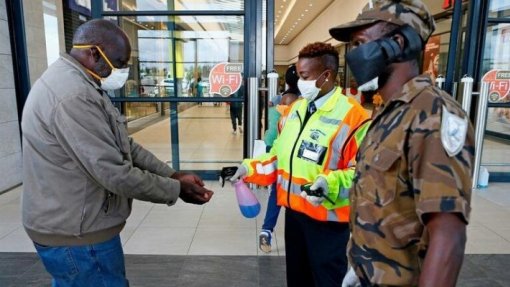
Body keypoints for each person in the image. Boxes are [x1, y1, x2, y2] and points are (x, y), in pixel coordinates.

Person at [21, 19, 214, 286]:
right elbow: (114, 173)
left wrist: (172, 174)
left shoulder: (82, 82)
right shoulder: (73, 96)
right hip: (77, 235)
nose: (122, 71)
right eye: (119, 62)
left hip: (73, 226)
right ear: (93, 53)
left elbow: (124, 144)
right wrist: (175, 189)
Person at [329, 0, 474, 286]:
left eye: (360, 43)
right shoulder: (389, 112)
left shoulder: (432, 115)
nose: (354, 55)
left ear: (397, 43)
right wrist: (362, 266)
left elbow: (448, 236)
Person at [231, 42, 370, 286]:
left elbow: (364, 175)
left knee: (326, 281)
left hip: (327, 222)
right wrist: (248, 168)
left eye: (304, 76)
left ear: (326, 76)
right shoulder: (294, 111)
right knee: (297, 279)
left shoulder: (354, 117)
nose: (298, 83)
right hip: (294, 216)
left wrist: (330, 183)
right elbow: (279, 158)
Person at [259, 64, 300, 253]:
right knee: (287, 191)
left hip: (271, 144)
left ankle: (266, 231)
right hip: (285, 150)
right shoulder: (298, 101)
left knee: (276, 191)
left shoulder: (277, 98)